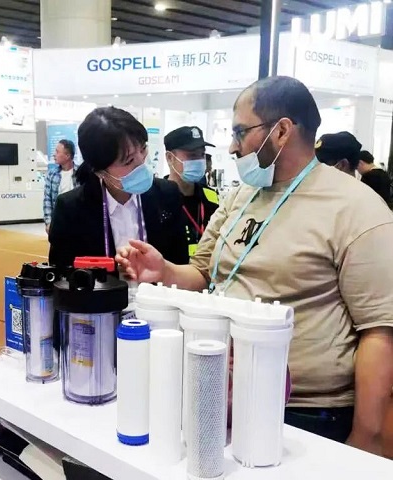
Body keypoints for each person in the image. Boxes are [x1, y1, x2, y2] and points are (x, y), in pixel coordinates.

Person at [116, 76, 393, 454]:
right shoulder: (241, 196)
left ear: (281, 131)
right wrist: (163, 271)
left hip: (301, 412)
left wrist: (365, 440)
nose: (232, 146)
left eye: (240, 132)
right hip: (219, 389)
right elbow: (203, 272)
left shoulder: (357, 209)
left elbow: (380, 331)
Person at [49, 106, 189, 272]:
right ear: (100, 171)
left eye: (143, 149)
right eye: (129, 161)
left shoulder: (167, 194)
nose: (142, 162)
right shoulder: (70, 209)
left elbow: (181, 264)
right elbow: (61, 274)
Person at [164, 126, 219, 256]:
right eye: (192, 155)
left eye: (202, 155)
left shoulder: (211, 196)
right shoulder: (157, 197)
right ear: (170, 158)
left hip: (205, 265)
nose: (199, 161)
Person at [43, 139, 77, 234]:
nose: (54, 155)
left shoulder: (80, 173)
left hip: (77, 221)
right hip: (58, 220)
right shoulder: (52, 175)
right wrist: (48, 222)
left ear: (67, 156)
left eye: (57, 152)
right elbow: (47, 200)